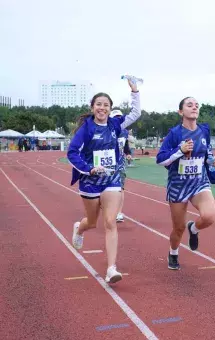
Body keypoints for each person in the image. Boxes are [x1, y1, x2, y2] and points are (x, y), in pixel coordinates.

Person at [67, 80, 141, 283]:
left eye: (106, 105)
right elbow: (72, 153)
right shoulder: (86, 129)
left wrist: (134, 91)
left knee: (110, 222)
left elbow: (135, 114)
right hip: (90, 182)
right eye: (98, 104)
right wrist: (89, 169)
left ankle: (111, 268)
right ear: (93, 107)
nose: (102, 108)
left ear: (109, 109)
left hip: (111, 179)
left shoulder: (115, 124)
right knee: (91, 222)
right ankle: (79, 228)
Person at [156, 97, 215, 270]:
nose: (194, 107)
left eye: (196, 105)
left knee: (209, 216)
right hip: (178, 186)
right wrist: (180, 150)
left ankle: (193, 228)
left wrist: (211, 160)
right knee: (178, 229)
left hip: (199, 182)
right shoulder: (175, 134)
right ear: (181, 112)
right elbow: (160, 160)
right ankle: (173, 252)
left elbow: (206, 151)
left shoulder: (204, 131)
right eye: (189, 105)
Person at [109, 109, 132, 222]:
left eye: (119, 117)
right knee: (106, 189)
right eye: (115, 118)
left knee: (120, 188)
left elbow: (126, 145)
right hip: (107, 164)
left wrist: (128, 154)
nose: (118, 120)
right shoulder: (106, 130)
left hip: (120, 164)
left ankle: (118, 212)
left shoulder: (125, 132)